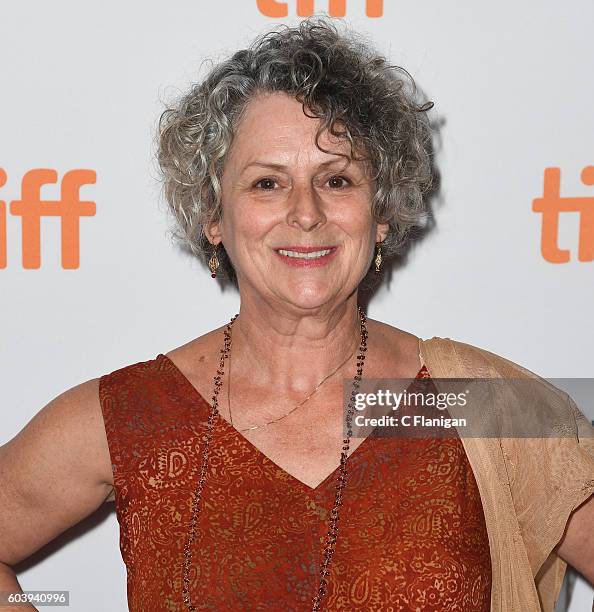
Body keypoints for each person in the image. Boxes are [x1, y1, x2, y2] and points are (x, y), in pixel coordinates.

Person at [1, 16, 593, 612]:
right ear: (214, 217)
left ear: (380, 212)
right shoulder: (134, 416)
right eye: (266, 184)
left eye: (336, 179)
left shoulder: (471, 400)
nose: (305, 213)